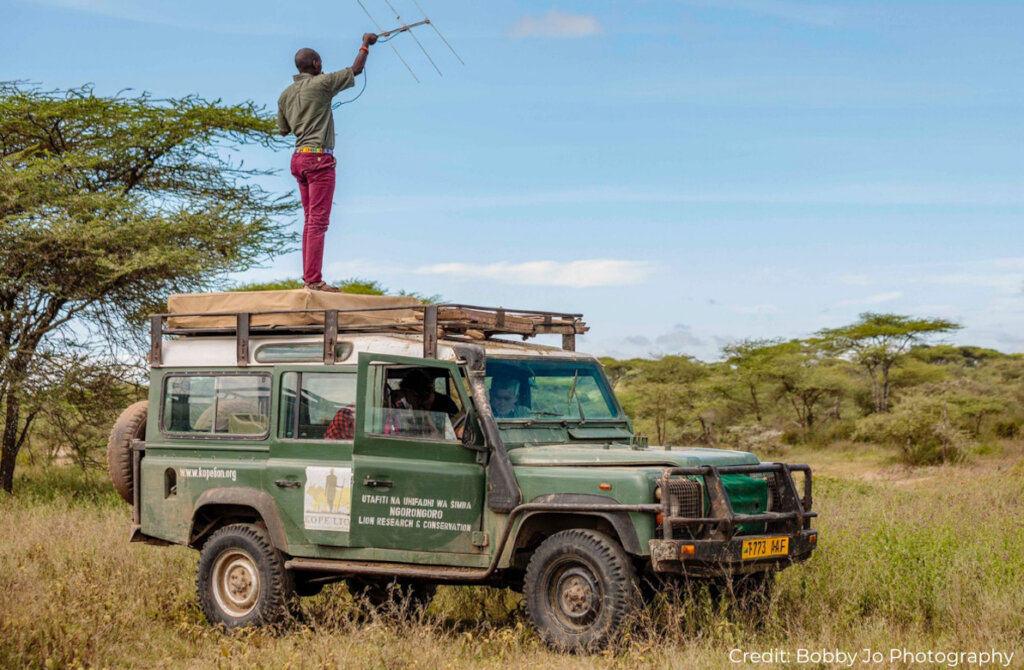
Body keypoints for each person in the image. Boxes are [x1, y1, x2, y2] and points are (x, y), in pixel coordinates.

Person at [277, 34, 378, 292]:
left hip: (298, 158)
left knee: (310, 220)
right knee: (317, 222)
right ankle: (313, 280)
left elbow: (283, 131)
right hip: (318, 159)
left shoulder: (285, 95)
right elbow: (356, 69)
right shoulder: (322, 83)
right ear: (315, 62)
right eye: (319, 60)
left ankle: (311, 277)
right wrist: (365, 44)